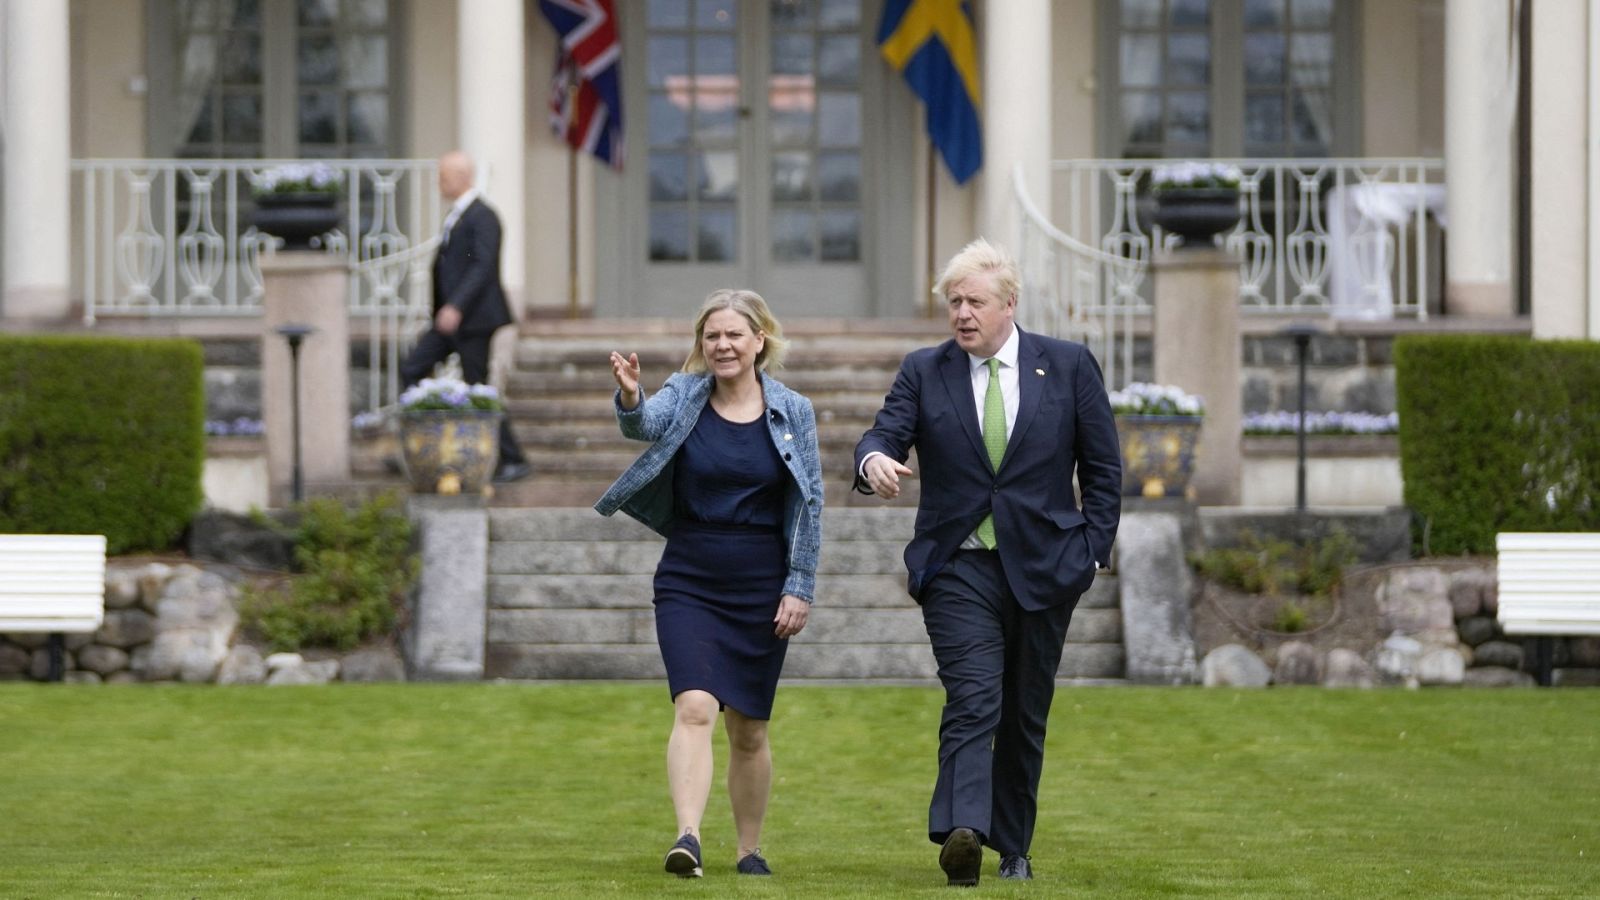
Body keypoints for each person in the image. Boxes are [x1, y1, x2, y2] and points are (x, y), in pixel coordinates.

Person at [853, 238, 1121, 886]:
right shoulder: (925, 370)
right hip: (958, 566)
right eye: (953, 302)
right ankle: (965, 832)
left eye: (974, 301)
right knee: (974, 697)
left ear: (1009, 304)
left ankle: (1015, 847)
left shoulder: (1068, 365)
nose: (962, 314)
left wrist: (1090, 555)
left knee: (1025, 713)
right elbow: (883, 433)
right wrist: (874, 462)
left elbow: (1105, 469)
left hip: (1046, 567)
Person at [594, 289, 824, 880]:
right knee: (694, 705)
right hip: (690, 572)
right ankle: (688, 838)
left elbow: (809, 503)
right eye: (711, 336)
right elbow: (644, 424)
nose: (722, 345)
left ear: (759, 341)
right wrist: (629, 393)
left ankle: (748, 850)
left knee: (748, 726)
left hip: (761, 578)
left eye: (733, 335)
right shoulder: (684, 392)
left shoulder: (793, 410)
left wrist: (799, 584)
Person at [398, 150, 530, 483]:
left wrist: (455, 305)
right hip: (448, 320)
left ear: (462, 177)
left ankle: (512, 459)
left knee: (478, 388)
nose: (439, 183)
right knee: (412, 367)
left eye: (444, 176)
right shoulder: (458, 215)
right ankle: (423, 441)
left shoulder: (482, 215)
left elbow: (482, 266)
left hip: (473, 320)